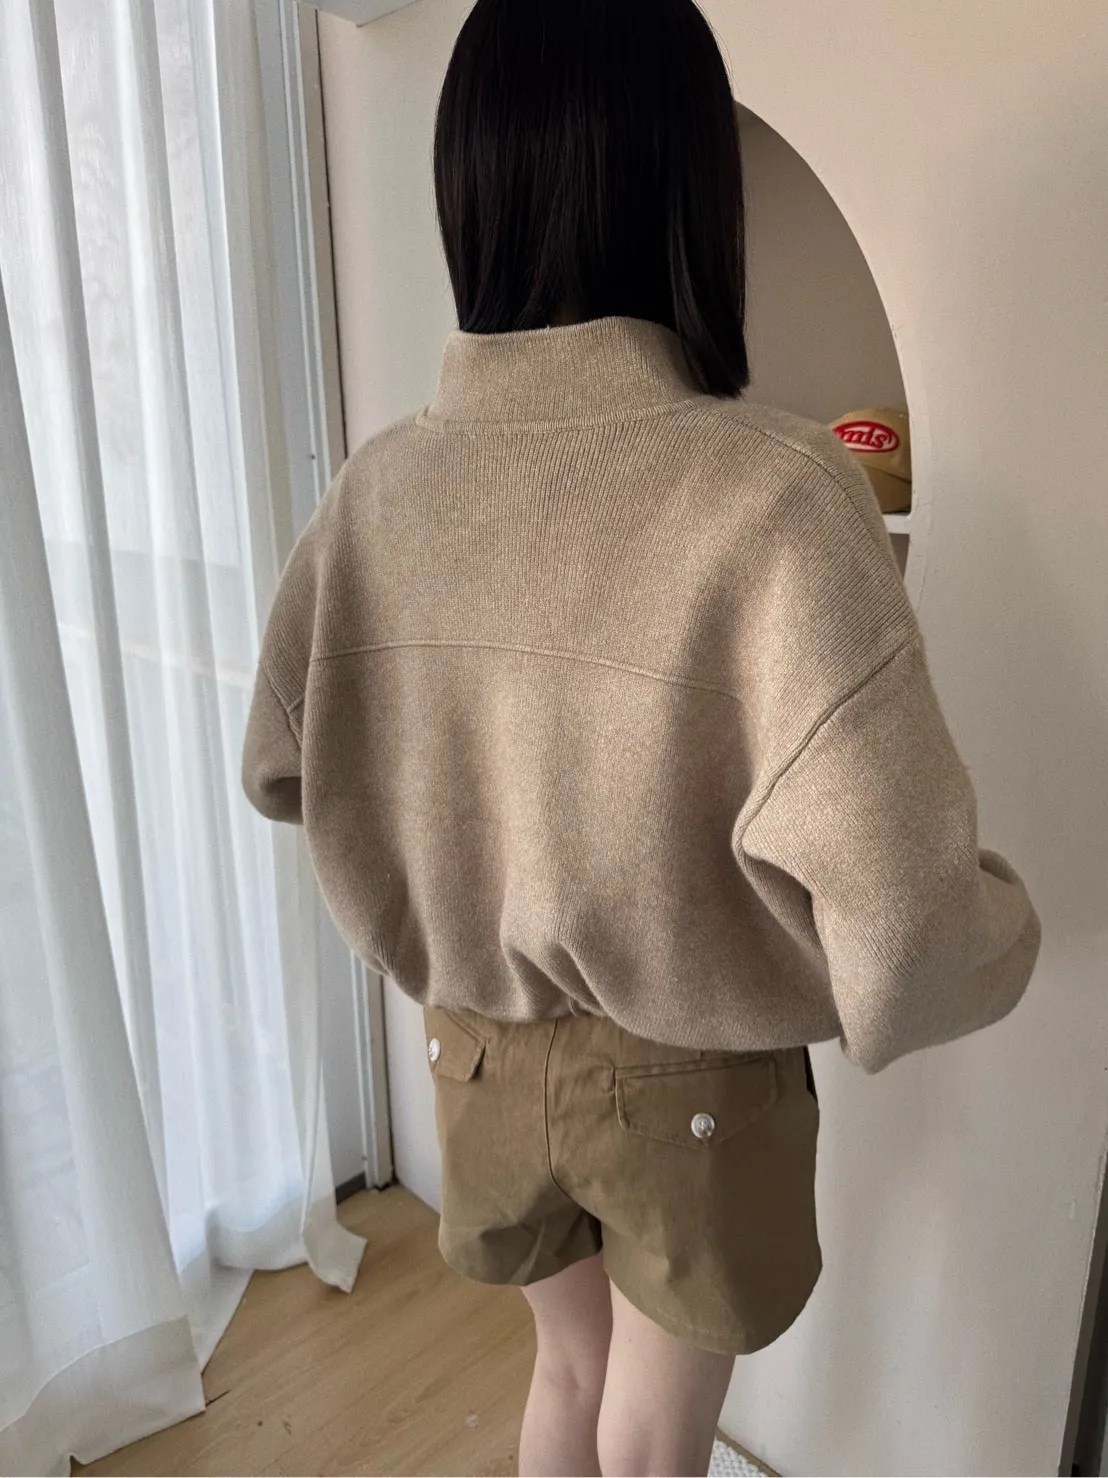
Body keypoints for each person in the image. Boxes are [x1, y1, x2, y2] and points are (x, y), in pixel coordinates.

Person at [242, 0, 1041, 1472]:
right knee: (659, 1438)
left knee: (566, 1378)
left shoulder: (376, 493)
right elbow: (913, 925)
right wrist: (1011, 933)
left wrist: (455, 846)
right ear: (690, 185)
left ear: (470, 185)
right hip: (694, 1077)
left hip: (472, 1048)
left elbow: (283, 760)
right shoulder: (778, 490)